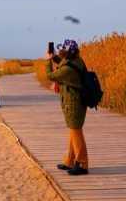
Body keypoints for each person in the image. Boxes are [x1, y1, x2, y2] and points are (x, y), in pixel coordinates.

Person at [46, 39, 89, 175]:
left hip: (73, 104)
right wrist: (55, 58)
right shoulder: (77, 61)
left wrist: (48, 61)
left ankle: (82, 164)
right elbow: (65, 64)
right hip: (76, 102)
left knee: (76, 133)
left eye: (62, 50)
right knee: (73, 131)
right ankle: (70, 161)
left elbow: (51, 75)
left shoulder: (68, 69)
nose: (60, 51)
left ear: (67, 52)